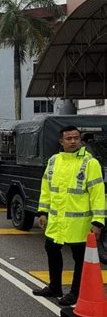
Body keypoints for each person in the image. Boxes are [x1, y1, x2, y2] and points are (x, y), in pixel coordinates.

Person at [33, 125, 105, 306]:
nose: (73, 141)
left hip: (79, 223)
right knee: (51, 250)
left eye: (76, 138)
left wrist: (98, 221)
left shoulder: (90, 163)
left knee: (80, 259)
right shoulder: (53, 161)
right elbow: (46, 189)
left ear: (80, 140)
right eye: (68, 138)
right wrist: (42, 211)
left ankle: (75, 292)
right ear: (61, 141)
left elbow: (97, 193)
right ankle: (55, 287)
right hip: (57, 221)